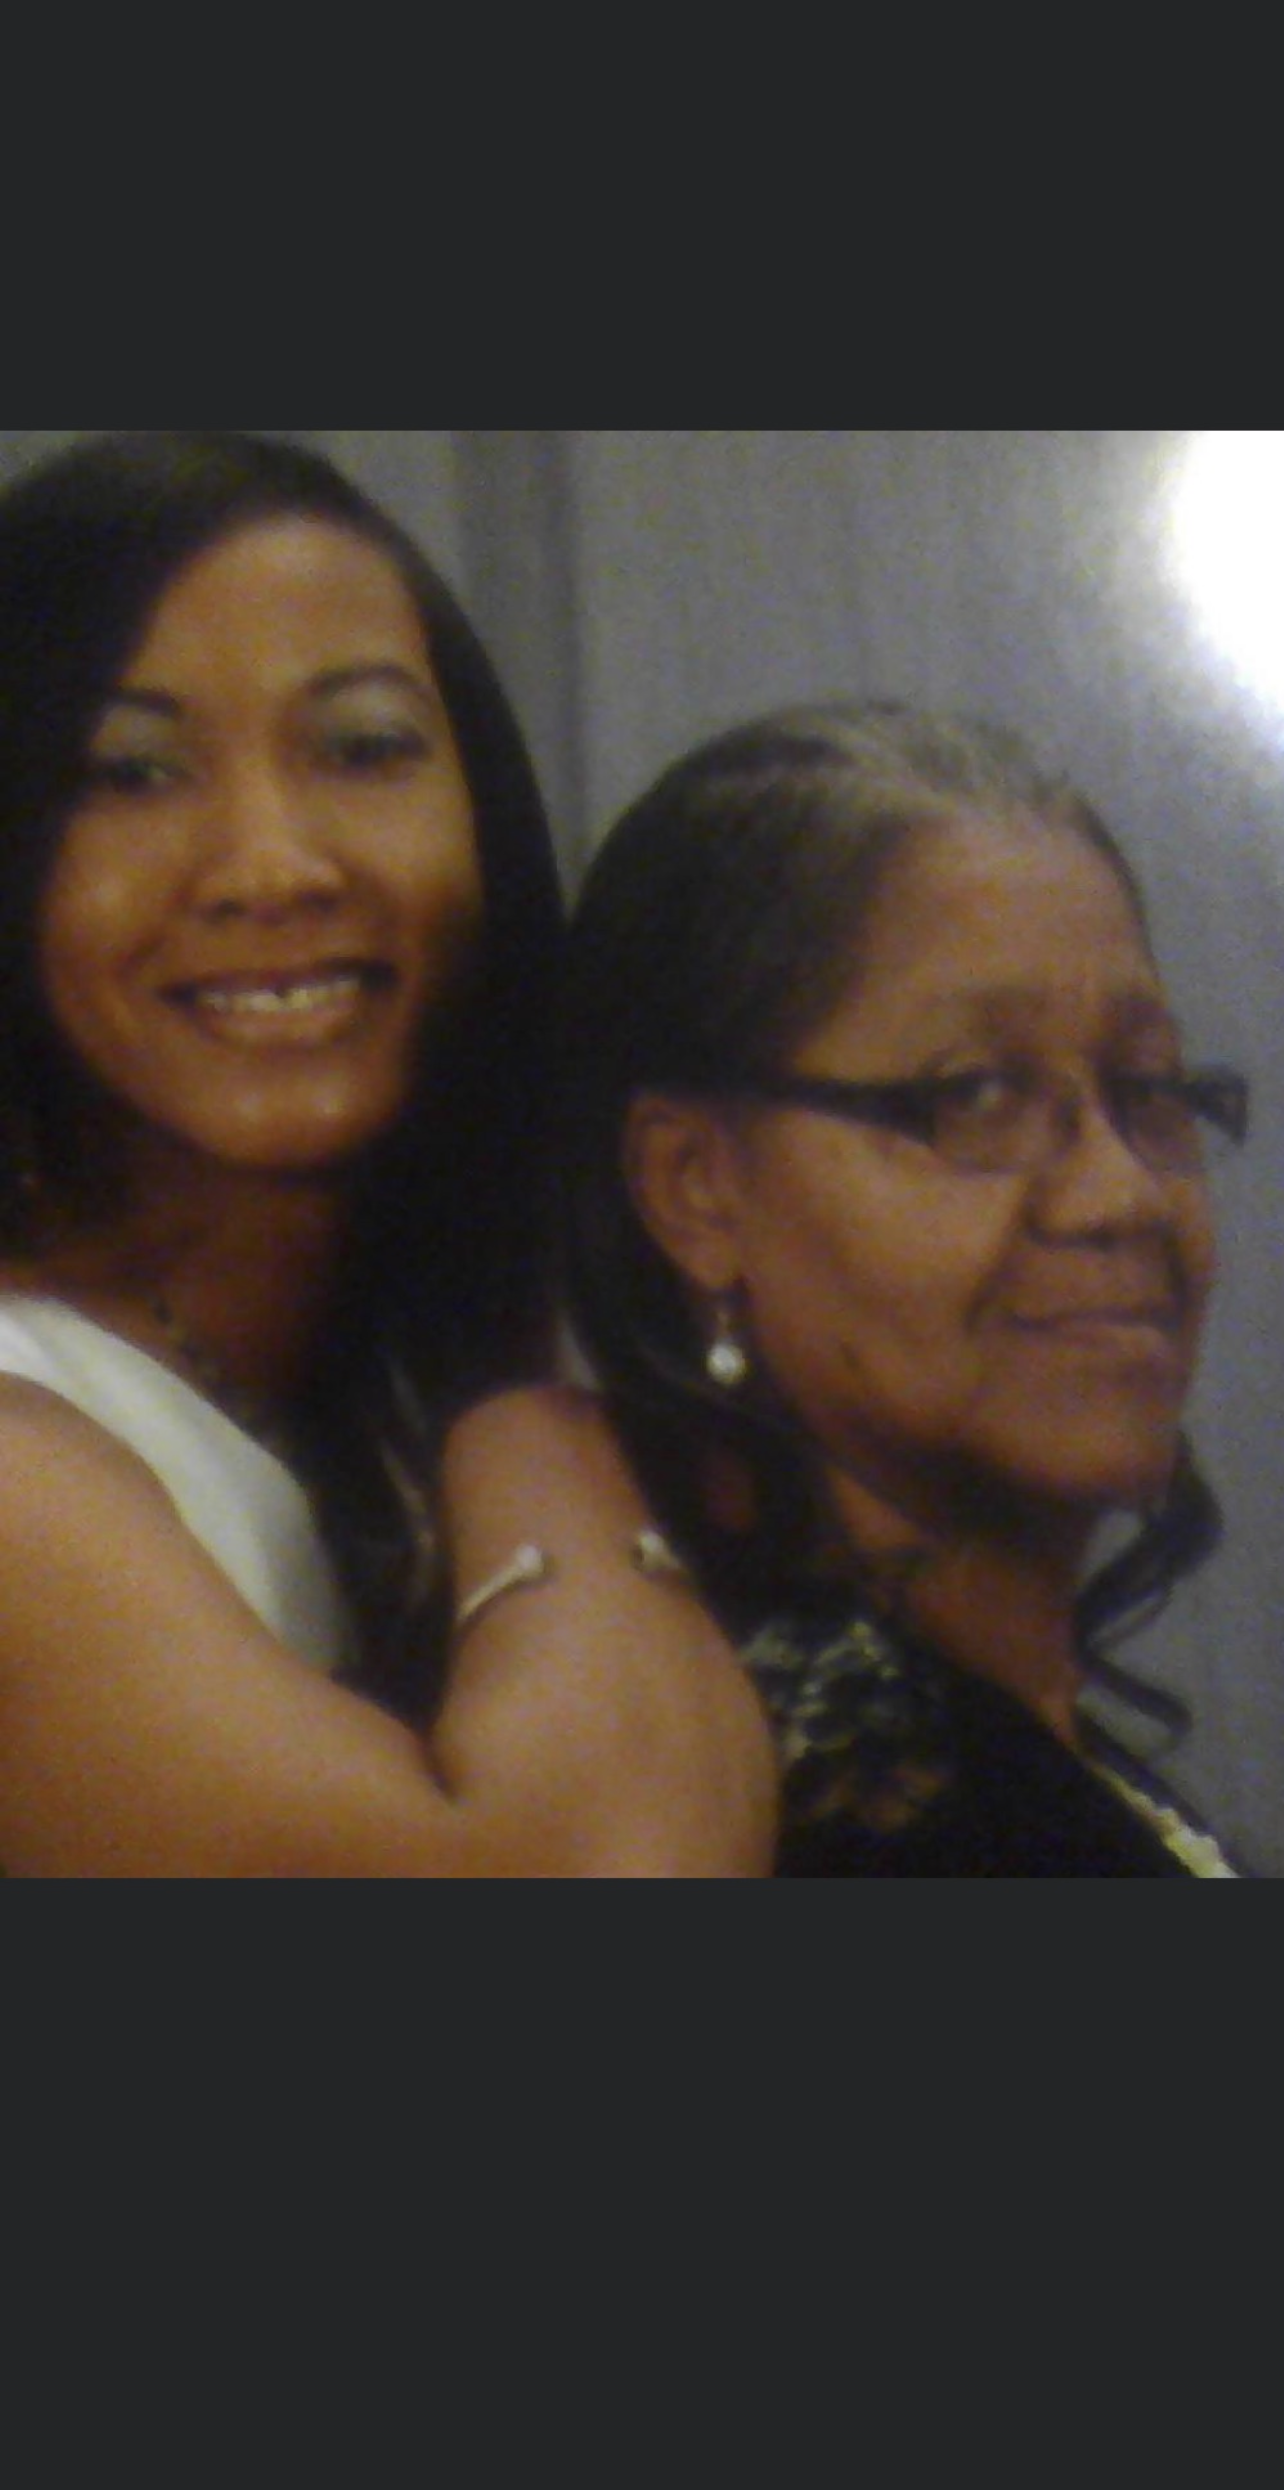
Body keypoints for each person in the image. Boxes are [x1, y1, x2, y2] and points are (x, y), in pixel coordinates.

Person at [0, 431, 776, 1877]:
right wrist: (547, 1433)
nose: (275, 862)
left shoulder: (360, 1406)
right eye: (133, 770)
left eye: (361, 748)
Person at [554, 700, 1250, 1876]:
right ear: (697, 1188)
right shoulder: (809, 1808)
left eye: (1149, 1086)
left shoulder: (982, 1751)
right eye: (974, 1094)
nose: (1118, 1194)